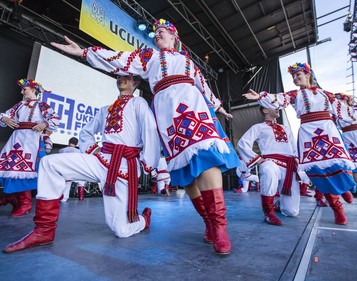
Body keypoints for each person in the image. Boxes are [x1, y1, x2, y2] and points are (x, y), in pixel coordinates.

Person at [49, 18, 240, 254]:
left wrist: (220, 108)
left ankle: (220, 228)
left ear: (174, 37)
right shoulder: (149, 57)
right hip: (167, 114)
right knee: (187, 175)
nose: (156, 35)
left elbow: (204, 87)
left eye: (161, 32)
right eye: (155, 33)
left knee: (206, 159)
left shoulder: (188, 62)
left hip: (192, 108)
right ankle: (208, 223)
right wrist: (85, 52)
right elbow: (119, 58)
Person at [3, 75, 160, 253]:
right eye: (118, 76)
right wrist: (93, 150)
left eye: (126, 76)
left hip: (123, 166)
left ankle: (144, 219)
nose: (121, 79)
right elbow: (86, 132)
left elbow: (150, 129)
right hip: (100, 160)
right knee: (50, 163)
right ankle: (43, 231)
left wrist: (149, 163)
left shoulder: (138, 103)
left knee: (121, 230)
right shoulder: (105, 110)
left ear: (135, 82)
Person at [243, 62, 357, 225]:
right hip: (308, 134)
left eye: (298, 75)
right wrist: (261, 96)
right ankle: (338, 210)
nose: (295, 79)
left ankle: (344, 188)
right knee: (317, 170)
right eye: (293, 76)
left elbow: (345, 111)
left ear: (308, 75)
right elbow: (279, 98)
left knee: (341, 162)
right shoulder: (294, 95)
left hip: (327, 130)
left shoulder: (326, 94)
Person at [0, 79, 59, 216]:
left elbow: (55, 118)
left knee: (26, 169)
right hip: (16, 139)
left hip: (31, 139)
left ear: (33, 90)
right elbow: (4, 115)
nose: (22, 92)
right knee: (10, 167)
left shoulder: (42, 105)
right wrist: (5, 119)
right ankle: (12, 197)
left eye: (24, 89)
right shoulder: (19, 105)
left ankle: (25, 203)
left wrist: (44, 124)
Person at [237, 105, 300, 226]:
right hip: (270, 161)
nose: (277, 108)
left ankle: (279, 204)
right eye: (273, 106)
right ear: (265, 110)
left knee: (291, 211)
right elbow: (243, 143)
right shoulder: (259, 127)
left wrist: (296, 158)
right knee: (268, 170)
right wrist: (259, 159)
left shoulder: (285, 128)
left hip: (289, 164)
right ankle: (269, 213)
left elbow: (294, 147)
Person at [59, 137, 86, 202]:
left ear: (69, 142)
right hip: (73, 170)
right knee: (81, 181)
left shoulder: (62, 150)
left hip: (62, 168)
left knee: (64, 183)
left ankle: (61, 197)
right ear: (76, 144)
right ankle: (81, 197)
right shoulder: (79, 152)